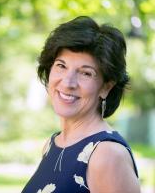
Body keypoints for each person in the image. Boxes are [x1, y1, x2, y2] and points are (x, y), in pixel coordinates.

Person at [22, 16, 140, 193]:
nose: (68, 82)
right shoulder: (52, 144)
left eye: (86, 73)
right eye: (61, 65)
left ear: (106, 87)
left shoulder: (107, 154)